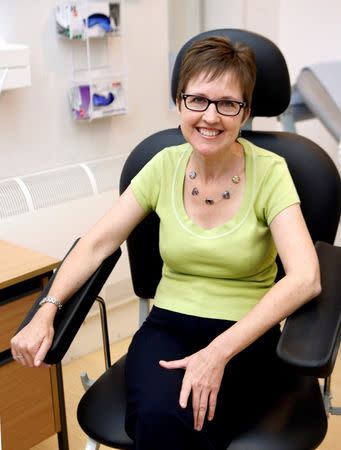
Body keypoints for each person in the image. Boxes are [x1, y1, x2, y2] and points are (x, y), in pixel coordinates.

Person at [11, 36, 321, 450]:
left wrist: (218, 353)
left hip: (246, 334)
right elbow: (96, 243)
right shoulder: (162, 165)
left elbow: (305, 278)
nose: (210, 116)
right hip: (167, 328)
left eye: (227, 103)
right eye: (198, 100)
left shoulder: (271, 171)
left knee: (195, 421)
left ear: (244, 112)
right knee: (160, 418)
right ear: (180, 103)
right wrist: (46, 310)